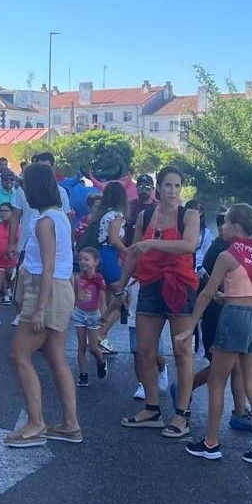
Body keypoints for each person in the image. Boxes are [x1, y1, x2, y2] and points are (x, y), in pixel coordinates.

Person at [175, 203, 252, 466]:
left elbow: (207, 293)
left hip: (233, 319)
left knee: (216, 382)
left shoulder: (228, 255)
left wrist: (189, 326)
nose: (221, 227)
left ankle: (211, 443)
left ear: (236, 226)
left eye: (225, 223)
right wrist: (234, 296)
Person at [120, 166, 201, 440]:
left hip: (180, 286)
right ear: (158, 188)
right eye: (168, 185)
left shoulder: (189, 216)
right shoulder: (145, 216)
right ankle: (152, 409)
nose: (173, 191)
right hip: (151, 286)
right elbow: (133, 253)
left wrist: (152, 246)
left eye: (177, 186)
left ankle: (182, 415)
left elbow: (188, 246)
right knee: (144, 351)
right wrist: (121, 284)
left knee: (182, 351)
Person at [4, 163, 82, 447]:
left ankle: (36, 423)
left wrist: (38, 308)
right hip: (59, 290)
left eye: (25, 183)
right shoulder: (59, 217)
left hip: (45, 291)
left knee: (19, 355)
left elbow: (47, 266)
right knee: (56, 357)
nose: (22, 187)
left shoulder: (44, 222)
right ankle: (70, 423)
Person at [85, 181, 130, 350]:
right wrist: (128, 251)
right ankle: (101, 332)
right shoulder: (117, 215)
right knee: (121, 297)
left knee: (111, 297)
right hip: (111, 256)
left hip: (103, 255)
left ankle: (101, 335)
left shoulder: (104, 214)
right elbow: (114, 239)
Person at [72, 247, 108, 386]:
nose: (82, 262)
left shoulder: (99, 280)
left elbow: (103, 301)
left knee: (93, 347)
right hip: (80, 313)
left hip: (93, 314)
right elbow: (76, 296)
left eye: (86, 259)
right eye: (80, 259)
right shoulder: (77, 278)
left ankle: (101, 361)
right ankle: (83, 374)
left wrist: (103, 316)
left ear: (96, 262)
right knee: (81, 345)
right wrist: (73, 310)